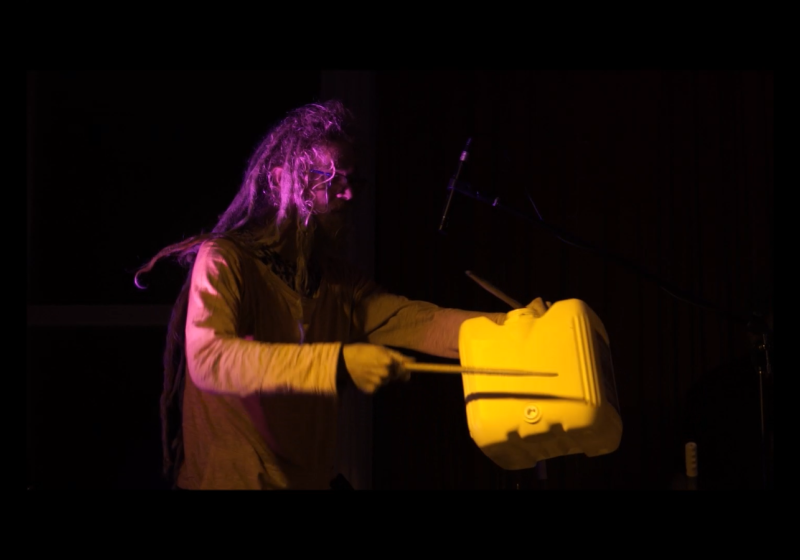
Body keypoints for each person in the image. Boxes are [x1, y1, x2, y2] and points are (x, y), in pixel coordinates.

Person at [135, 99, 547, 490]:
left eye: (353, 181)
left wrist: (514, 327)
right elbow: (210, 360)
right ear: (281, 181)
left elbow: (420, 322)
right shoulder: (225, 260)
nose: (348, 194)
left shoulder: (335, 282)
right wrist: (338, 360)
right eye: (332, 179)